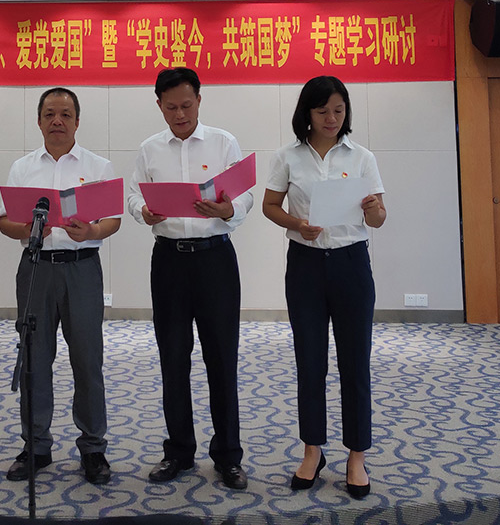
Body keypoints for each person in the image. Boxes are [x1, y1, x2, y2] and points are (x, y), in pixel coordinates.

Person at [127, 67, 253, 490]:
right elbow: (133, 194)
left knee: (222, 359)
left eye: (186, 105)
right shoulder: (149, 149)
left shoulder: (223, 142)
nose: (179, 115)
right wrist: (143, 212)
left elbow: (245, 193)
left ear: (199, 100)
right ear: (159, 106)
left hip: (215, 260)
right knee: (173, 358)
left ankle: (228, 456)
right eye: (170, 108)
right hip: (169, 262)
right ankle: (179, 451)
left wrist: (229, 209)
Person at [262, 75, 386, 499]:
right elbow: (270, 206)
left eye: (338, 110)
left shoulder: (362, 157)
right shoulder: (288, 156)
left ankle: (357, 455)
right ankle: (312, 450)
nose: (331, 118)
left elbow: (378, 219)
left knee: (355, 363)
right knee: (310, 363)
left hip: (352, 265)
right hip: (306, 265)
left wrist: (373, 208)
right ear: (307, 114)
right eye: (322, 111)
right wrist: (297, 224)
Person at [0, 87, 120, 485]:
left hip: (82, 269)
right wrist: (28, 228)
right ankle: (36, 446)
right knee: (34, 359)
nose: (57, 121)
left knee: (87, 360)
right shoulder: (22, 168)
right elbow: (4, 221)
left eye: (66, 114)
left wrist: (92, 231)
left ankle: (93, 447)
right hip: (36, 268)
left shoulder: (98, 166)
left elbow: (113, 220)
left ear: (77, 121)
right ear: (38, 121)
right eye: (49, 113)